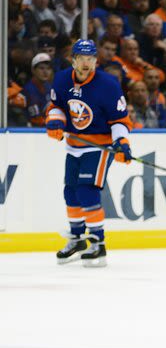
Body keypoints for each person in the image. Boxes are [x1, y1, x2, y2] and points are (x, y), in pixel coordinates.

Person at [45, 39, 133, 267]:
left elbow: (119, 119)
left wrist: (121, 142)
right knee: (70, 192)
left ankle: (98, 244)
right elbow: (56, 107)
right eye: (82, 58)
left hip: (99, 146)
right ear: (73, 60)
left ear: (96, 60)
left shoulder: (108, 84)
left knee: (86, 190)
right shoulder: (62, 79)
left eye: (91, 58)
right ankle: (77, 239)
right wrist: (55, 122)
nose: (86, 63)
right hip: (74, 145)